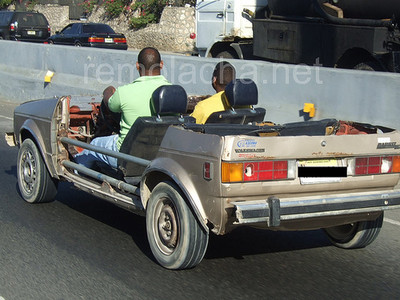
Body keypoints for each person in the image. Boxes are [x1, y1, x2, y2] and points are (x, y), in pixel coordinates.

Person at [74, 47, 170, 169]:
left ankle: (78, 172)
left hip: (127, 156)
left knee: (94, 144)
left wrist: (108, 92)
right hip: (161, 154)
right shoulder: (173, 93)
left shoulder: (124, 92)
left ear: (137, 66)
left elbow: (110, 105)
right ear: (161, 64)